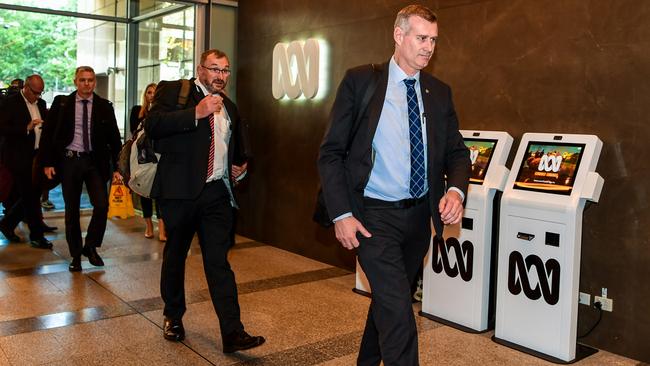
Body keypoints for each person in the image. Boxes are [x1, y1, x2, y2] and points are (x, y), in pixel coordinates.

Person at [317, 5, 471, 365]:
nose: (429, 47)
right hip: (373, 217)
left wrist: (456, 190)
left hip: (418, 219)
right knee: (400, 313)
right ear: (398, 35)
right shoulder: (361, 82)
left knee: (390, 302)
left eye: (433, 40)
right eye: (421, 38)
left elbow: (457, 153)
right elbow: (331, 153)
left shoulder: (439, 92)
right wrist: (341, 213)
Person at [146, 49, 262, 353]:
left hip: (216, 195)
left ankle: (232, 332)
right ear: (201, 69)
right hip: (180, 192)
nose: (220, 76)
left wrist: (239, 166)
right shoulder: (175, 90)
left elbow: (232, 148)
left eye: (225, 71)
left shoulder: (230, 108)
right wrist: (196, 113)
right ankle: (173, 316)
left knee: (218, 263)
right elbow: (154, 125)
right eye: (214, 69)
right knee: (176, 255)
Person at [40, 66, 123, 272]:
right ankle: (75, 255)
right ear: (76, 81)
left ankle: (91, 246)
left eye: (91, 80)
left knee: (102, 205)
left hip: (94, 162)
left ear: (94, 82)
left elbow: (114, 138)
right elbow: (49, 135)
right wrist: (47, 163)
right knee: (72, 211)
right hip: (70, 161)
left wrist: (118, 167)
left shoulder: (104, 106)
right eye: (83, 80)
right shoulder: (62, 103)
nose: (87, 84)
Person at [0, 74, 55, 248]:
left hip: (37, 156)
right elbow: (2, 128)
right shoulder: (10, 102)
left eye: (41, 92)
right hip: (18, 156)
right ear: (26, 87)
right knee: (30, 196)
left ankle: (6, 224)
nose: (38, 96)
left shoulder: (41, 103)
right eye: (35, 92)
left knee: (32, 194)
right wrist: (26, 128)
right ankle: (37, 236)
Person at [129, 83, 166, 241]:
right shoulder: (138, 112)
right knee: (145, 192)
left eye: (155, 92)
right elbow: (134, 134)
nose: (152, 95)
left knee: (160, 193)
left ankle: (162, 230)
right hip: (142, 157)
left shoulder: (164, 112)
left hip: (159, 156)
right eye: (149, 92)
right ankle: (149, 226)